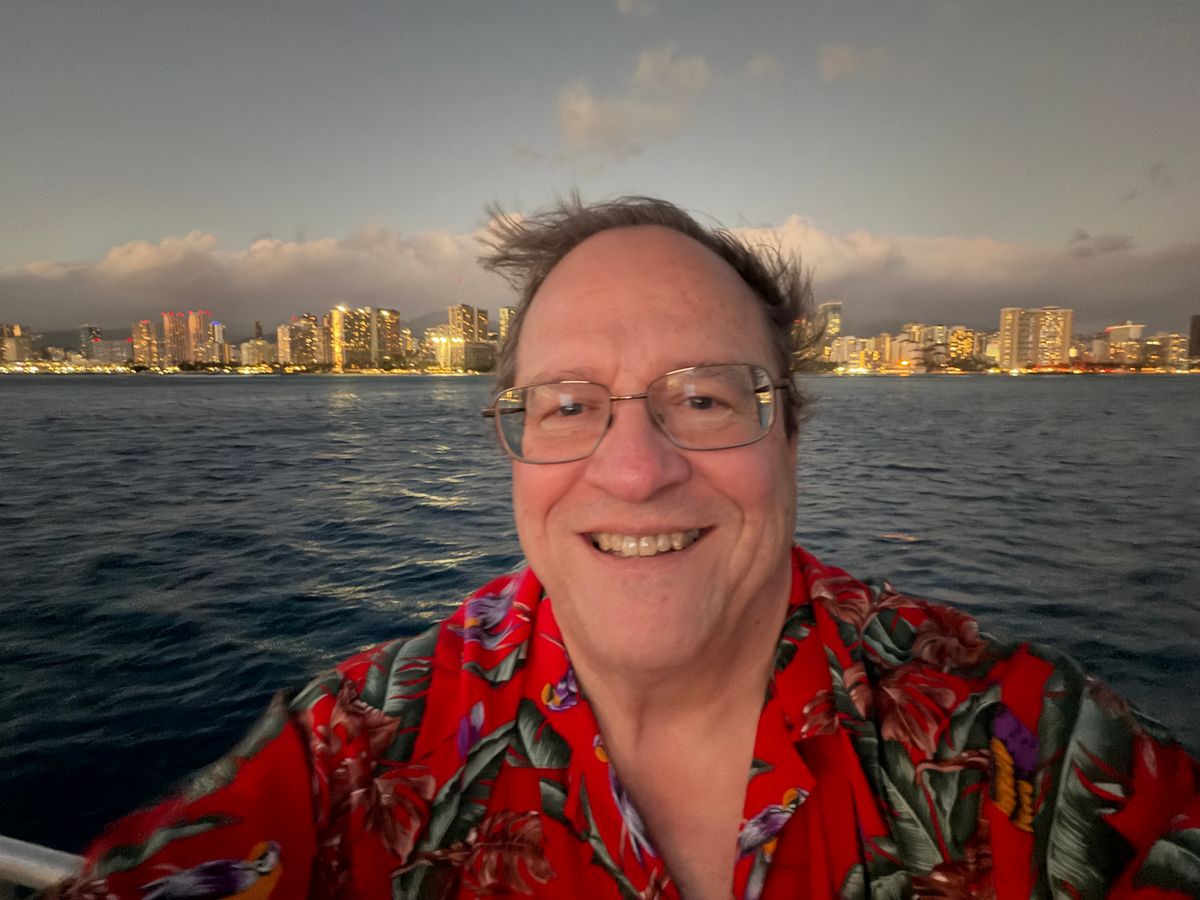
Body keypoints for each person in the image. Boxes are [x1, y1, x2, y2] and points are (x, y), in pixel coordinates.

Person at [46, 197, 1199, 900]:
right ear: (514, 447)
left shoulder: (1019, 744)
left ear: (791, 436)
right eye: (568, 405)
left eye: (704, 398)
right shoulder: (354, 754)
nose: (636, 469)